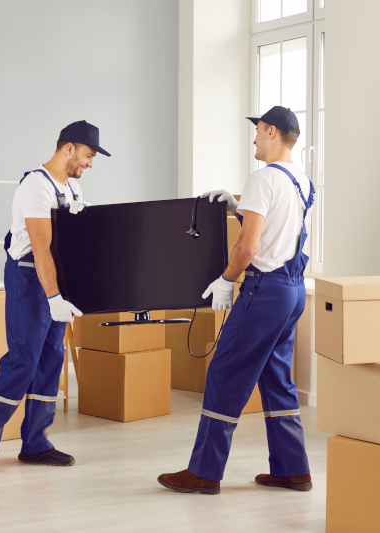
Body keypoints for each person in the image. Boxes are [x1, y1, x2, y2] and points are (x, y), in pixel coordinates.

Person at [158, 106, 314, 494]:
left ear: (273, 132)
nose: (256, 138)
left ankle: (204, 473)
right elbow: (278, 231)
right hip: (293, 291)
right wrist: (236, 208)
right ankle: (292, 469)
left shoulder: (262, 179)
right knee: (277, 378)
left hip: (264, 292)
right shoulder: (302, 180)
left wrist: (227, 280)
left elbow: (248, 248)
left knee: (225, 372)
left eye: (259, 130)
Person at [0, 120, 110, 473]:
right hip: (30, 279)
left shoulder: (70, 188)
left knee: (50, 361)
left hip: (56, 281)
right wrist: (54, 297)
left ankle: (36, 443)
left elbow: (68, 246)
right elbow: (41, 250)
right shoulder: (36, 185)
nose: (91, 164)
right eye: (89, 155)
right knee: (22, 361)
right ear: (69, 148)